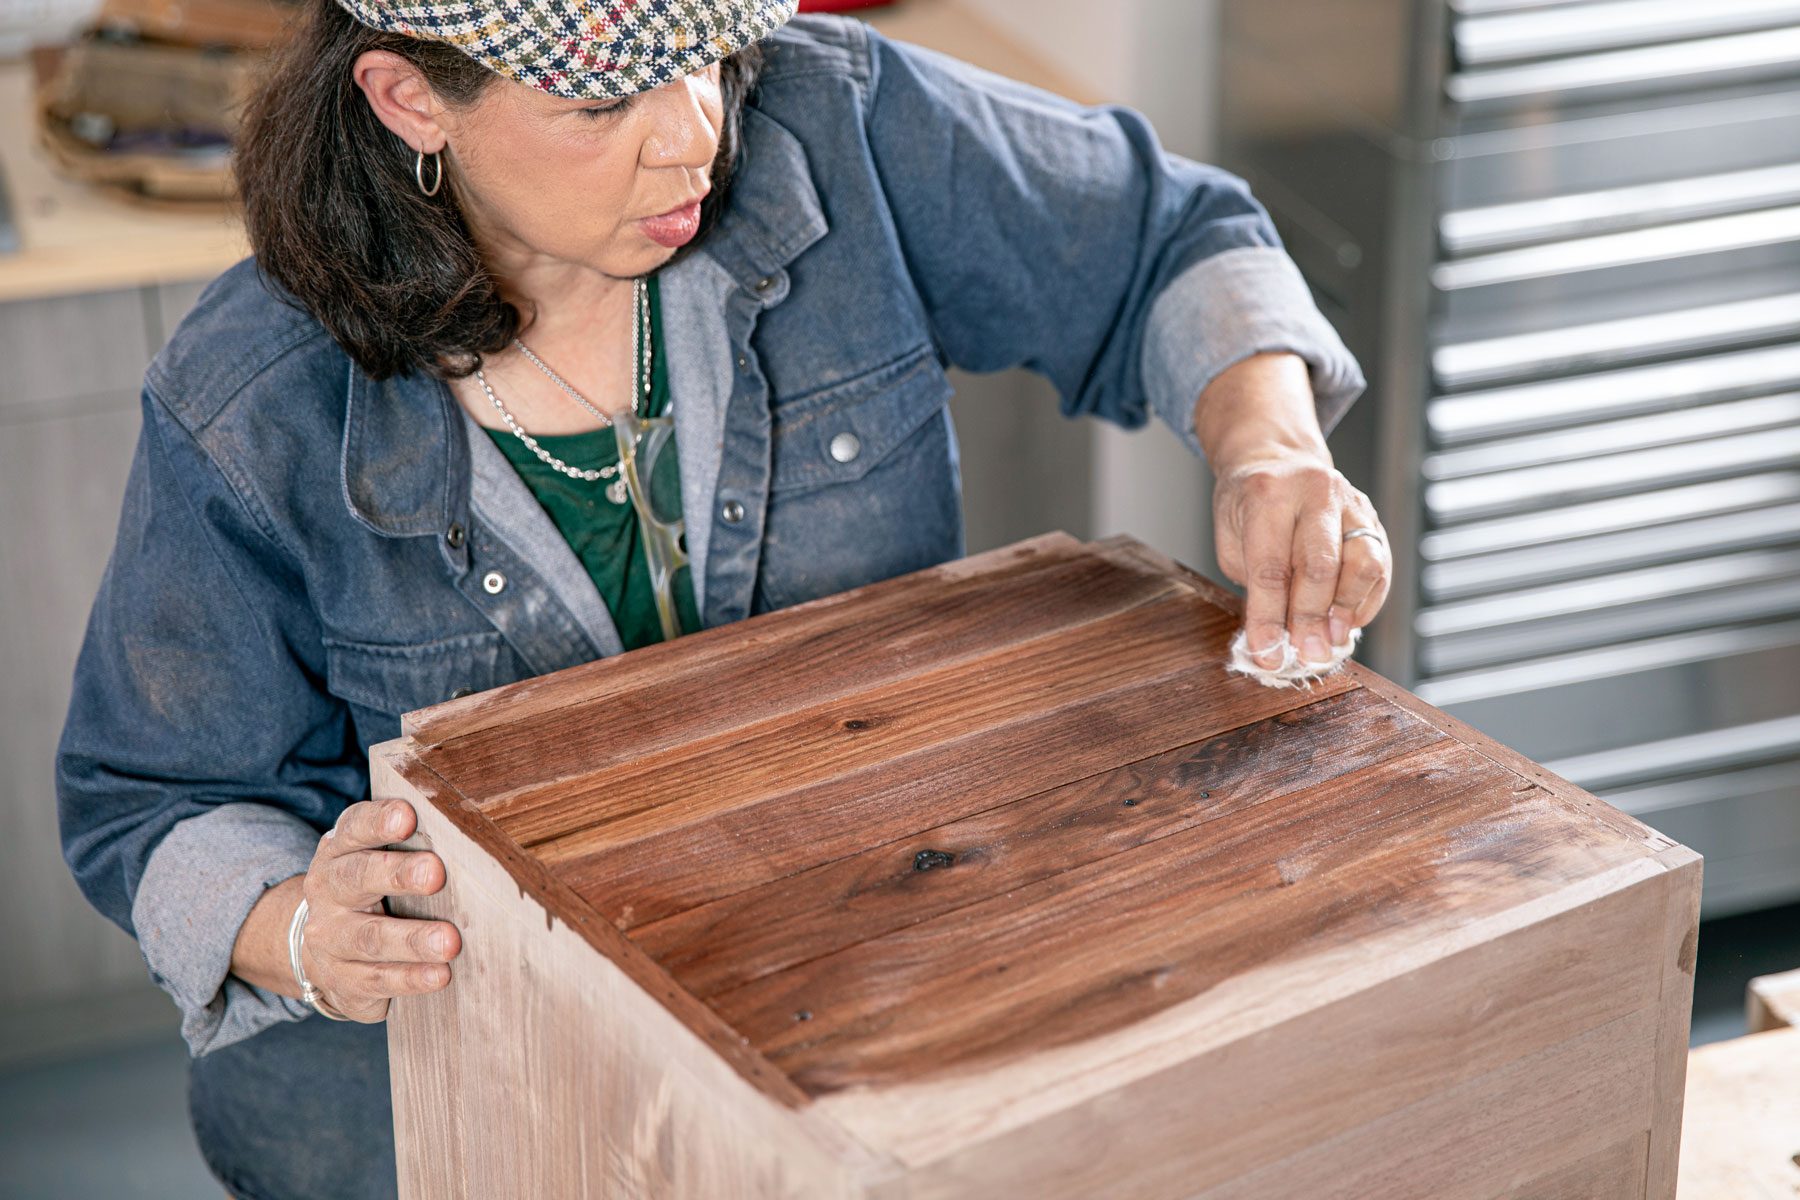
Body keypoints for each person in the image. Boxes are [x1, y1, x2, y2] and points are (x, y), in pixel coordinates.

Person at [55, 0, 1390, 1195]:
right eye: (605, 99)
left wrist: (1270, 442)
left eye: (710, 56)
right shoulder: (249, 398)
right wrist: (298, 926)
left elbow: (1170, 240)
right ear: (411, 101)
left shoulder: (836, 116)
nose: (695, 134)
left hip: (880, 961)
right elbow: (151, 799)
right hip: (483, 1043)